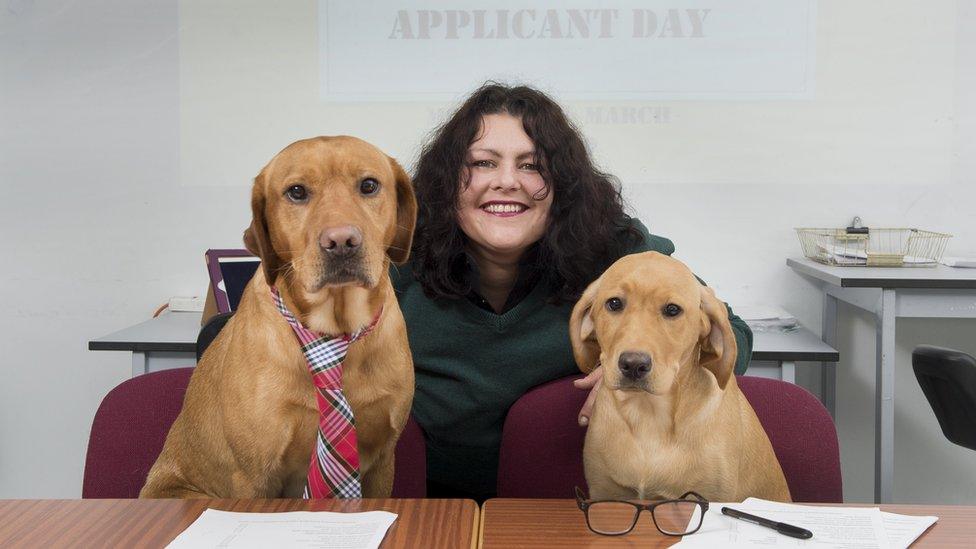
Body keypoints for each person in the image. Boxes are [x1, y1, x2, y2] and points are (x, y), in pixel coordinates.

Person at [391, 83, 752, 500]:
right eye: (483, 163)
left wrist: (631, 365)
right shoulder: (397, 259)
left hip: (580, 503)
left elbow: (733, 335)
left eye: (531, 166)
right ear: (448, 180)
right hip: (428, 505)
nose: (507, 182)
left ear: (562, 184)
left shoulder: (615, 252)